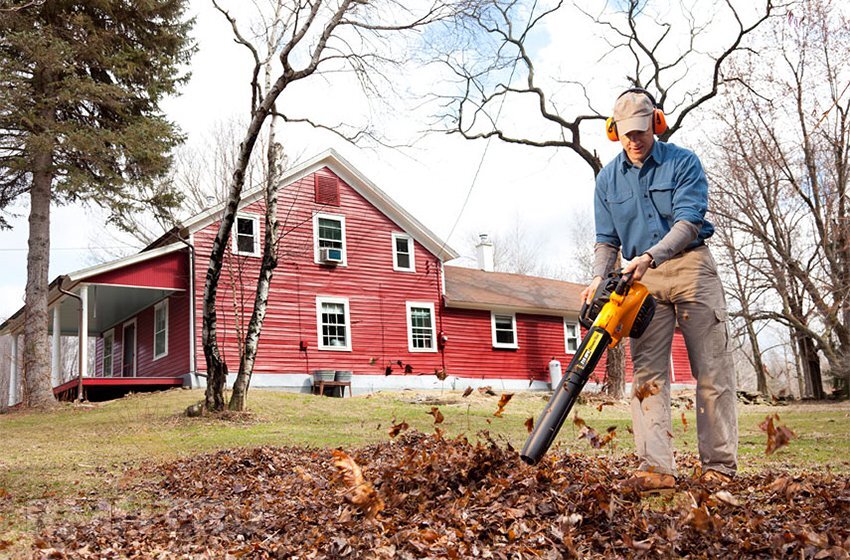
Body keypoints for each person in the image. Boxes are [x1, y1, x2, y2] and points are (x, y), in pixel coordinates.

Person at [581, 88, 738, 491]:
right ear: (614, 131)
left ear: (657, 122)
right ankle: (656, 468)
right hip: (639, 279)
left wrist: (650, 256)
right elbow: (606, 240)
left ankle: (718, 467)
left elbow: (688, 222)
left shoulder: (683, 162)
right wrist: (600, 275)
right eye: (627, 132)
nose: (636, 140)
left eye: (642, 130)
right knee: (648, 373)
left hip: (690, 266)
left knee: (712, 370)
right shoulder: (607, 179)